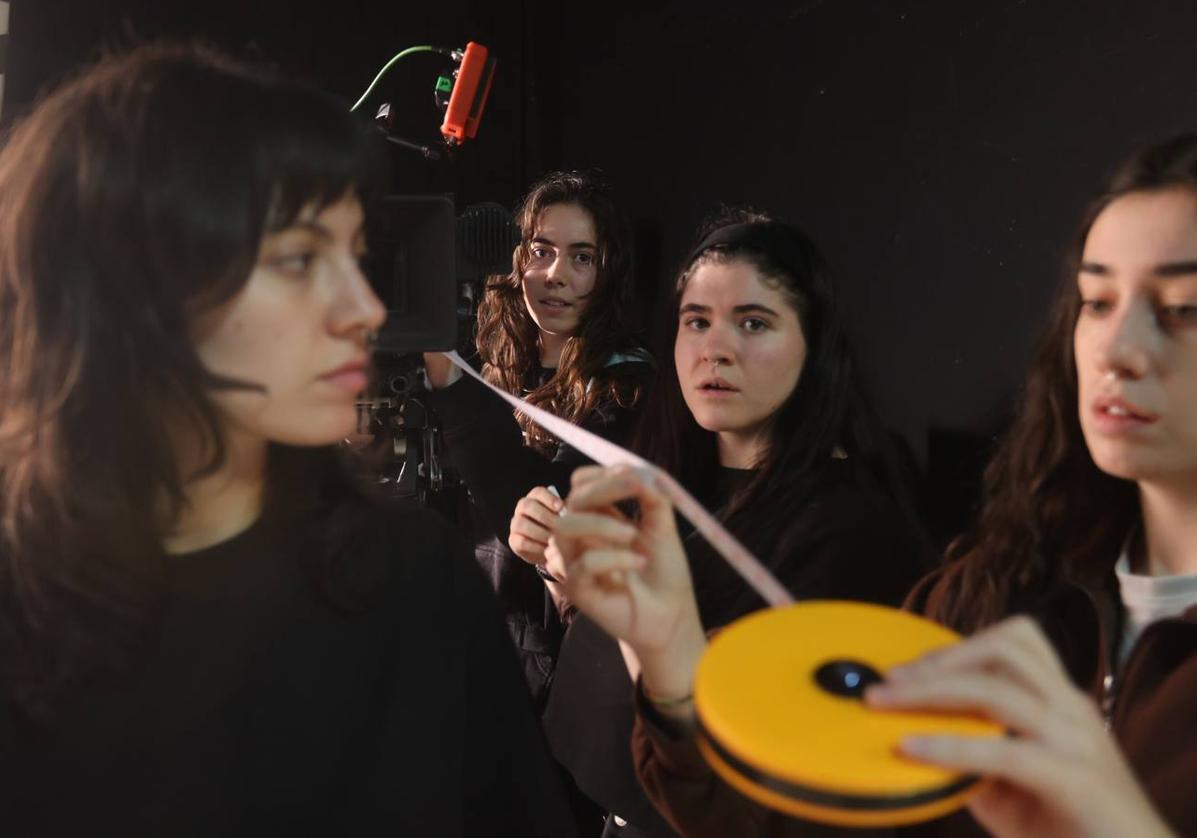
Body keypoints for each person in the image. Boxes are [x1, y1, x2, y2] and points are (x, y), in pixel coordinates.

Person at [0, 43, 576, 837]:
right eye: (301, 257)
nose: (365, 311)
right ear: (131, 287)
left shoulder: (415, 584)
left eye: (355, 253)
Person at [552, 136, 1197, 838]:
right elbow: (794, 818)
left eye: (1183, 308)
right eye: (1096, 301)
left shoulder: (849, 526)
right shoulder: (993, 591)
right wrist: (670, 657)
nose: (1116, 347)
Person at [538, 211, 932, 837]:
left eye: (753, 322)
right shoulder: (673, 481)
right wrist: (568, 591)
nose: (714, 348)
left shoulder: (849, 533)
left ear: (815, 342)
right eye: (697, 321)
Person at [422, 171, 651, 708]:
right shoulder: (494, 365)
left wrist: (450, 388)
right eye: (541, 251)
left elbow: (540, 518)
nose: (555, 275)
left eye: (582, 257)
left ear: (609, 269)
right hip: (477, 652)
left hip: (560, 680)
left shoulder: (626, 385)